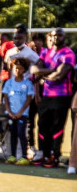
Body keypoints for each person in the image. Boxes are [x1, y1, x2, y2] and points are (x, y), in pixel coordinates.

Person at [30, 28, 75, 168]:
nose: (56, 38)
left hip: (61, 96)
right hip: (46, 95)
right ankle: (44, 154)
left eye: (59, 35)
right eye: (54, 36)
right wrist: (52, 70)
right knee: (42, 125)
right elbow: (34, 70)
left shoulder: (68, 54)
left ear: (64, 37)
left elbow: (59, 76)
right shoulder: (46, 52)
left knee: (57, 127)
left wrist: (44, 74)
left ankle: (55, 156)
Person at [0, 57, 35, 164]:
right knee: (13, 134)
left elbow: (28, 100)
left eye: (20, 68)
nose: (17, 71)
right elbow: (6, 98)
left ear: (25, 70)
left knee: (21, 134)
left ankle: (24, 156)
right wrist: (10, 112)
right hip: (11, 114)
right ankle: (13, 156)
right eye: (15, 68)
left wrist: (20, 112)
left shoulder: (28, 83)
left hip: (22, 114)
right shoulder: (9, 83)